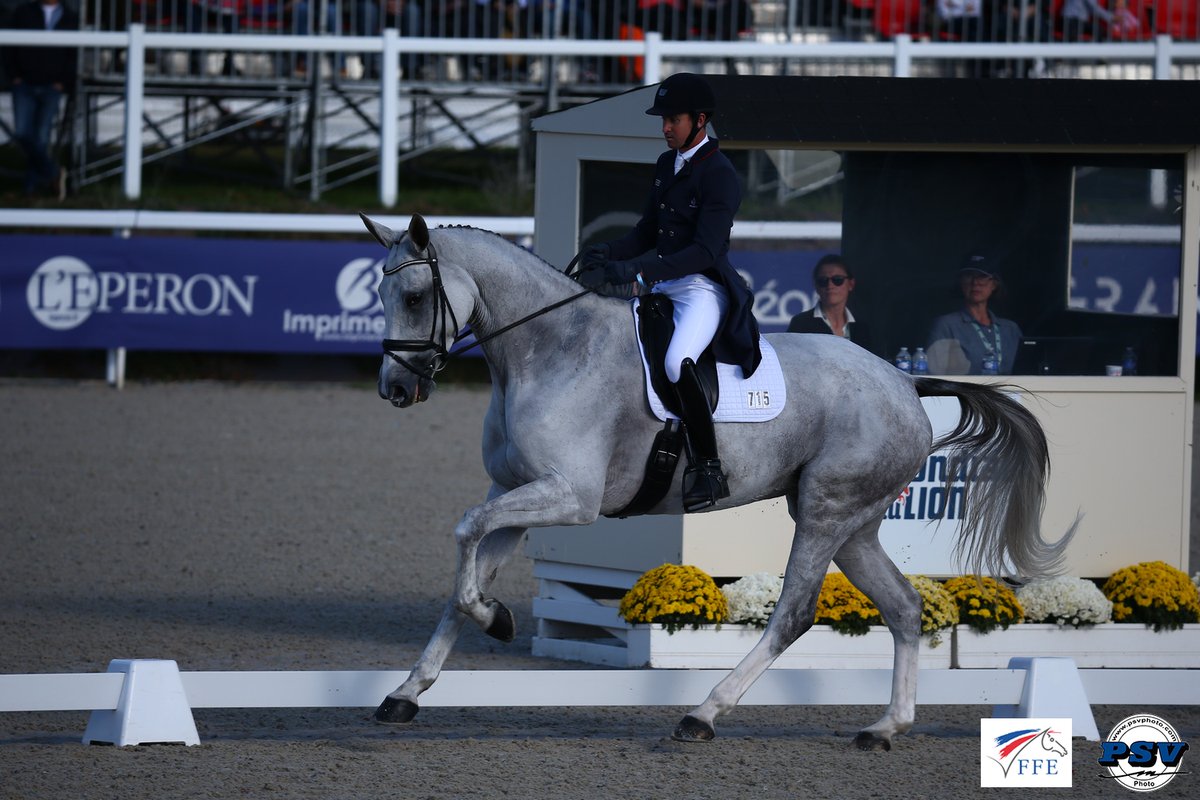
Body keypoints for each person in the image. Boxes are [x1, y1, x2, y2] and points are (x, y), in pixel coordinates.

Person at [578, 72, 761, 513]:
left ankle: (709, 467)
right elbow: (646, 231)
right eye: (663, 120)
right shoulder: (667, 164)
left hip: (701, 287)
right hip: (663, 283)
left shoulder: (720, 174)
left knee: (677, 362)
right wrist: (608, 251)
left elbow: (704, 251)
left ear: (699, 120)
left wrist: (638, 268)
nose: (665, 128)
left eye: (673, 120)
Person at [3, 0, 77, 199]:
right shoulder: (23, 12)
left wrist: (62, 81)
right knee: (22, 133)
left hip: (52, 86)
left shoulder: (70, 17)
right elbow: (9, 46)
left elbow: (73, 52)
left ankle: (30, 188)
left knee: (41, 138)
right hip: (24, 84)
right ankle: (53, 174)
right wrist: (14, 76)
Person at [926, 255, 1022, 376]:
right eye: (969, 276)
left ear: (994, 284)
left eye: (982, 276)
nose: (975, 282)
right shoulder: (947, 325)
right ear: (961, 282)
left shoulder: (1010, 329)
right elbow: (934, 373)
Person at [786, 253, 877, 355]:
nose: (830, 285)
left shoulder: (863, 328)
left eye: (837, 280)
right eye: (823, 281)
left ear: (851, 284)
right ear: (816, 286)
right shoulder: (800, 324)